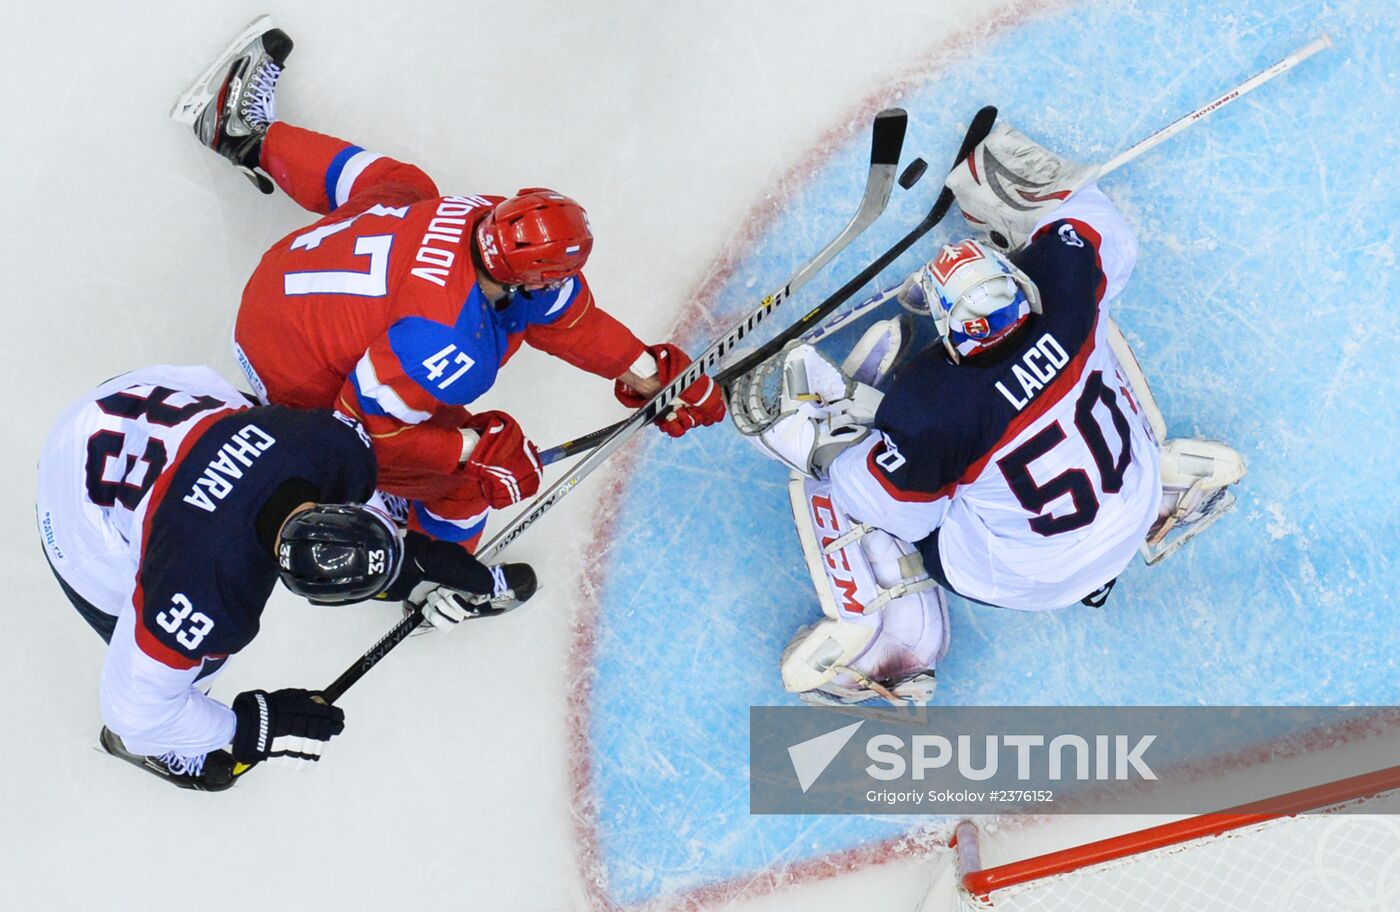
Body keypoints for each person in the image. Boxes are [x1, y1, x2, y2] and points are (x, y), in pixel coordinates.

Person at [171, 16, 725, 573]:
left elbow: (566, 319)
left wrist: (648, 371)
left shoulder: (482, 214)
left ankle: (244, 131)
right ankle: (430, 572)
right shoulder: (446, 344)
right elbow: (360, 428)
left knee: (405, 187)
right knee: (464, 485)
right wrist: (472, 453)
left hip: (290, 281)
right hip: (288, 365)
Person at [737, 121, 1244, 704]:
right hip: (1131, 504)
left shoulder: (937, 406)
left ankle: (891, 642)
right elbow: (1107, 236)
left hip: (1020, 577)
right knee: (1094, 322)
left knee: (841, 477)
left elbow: (896, 513)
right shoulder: (1063, 294)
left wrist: (822, 447)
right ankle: (1170, 488)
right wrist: (1030, 196)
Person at [36, 365, 533, 790]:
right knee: (190, 669)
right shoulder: (201, 592)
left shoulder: (325, 444)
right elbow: (134, 708)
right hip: (79, 505)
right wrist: (243, 729)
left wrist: (413, 559)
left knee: (249, 419)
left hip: (131, 411)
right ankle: (144, 751)